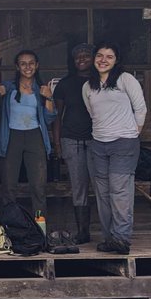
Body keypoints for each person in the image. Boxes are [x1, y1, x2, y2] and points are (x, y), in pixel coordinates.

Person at [82, 42, 147, 254]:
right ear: (94, 59)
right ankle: (108, 238)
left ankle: (121, 239)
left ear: (116, 60)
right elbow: (93, 114)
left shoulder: (125, 79)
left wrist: (133, 132)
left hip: (124, 144)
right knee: (103, 193)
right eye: (99, 56)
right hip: (98, 144)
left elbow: (140, 108)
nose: (103, 60)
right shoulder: (88, 86)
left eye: (109, 56)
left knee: (120, 191)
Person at [0, 49, 56, 224]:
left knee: (38, 186)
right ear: (17, 66)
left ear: (36, 65)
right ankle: (11, 226)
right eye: (23, 63)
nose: (27, 66)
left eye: (31, 63)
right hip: (11, 136)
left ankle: (39, 227)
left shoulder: (41, 89)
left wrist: (49, 98)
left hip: (35, 136)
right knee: (9, 186)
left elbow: (50, 118)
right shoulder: (8, 87)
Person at [52, 43, 95, 243]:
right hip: (71, 140)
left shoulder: (101, 81)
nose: (82, 59)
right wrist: (58, 144)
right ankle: (83, 232)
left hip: (98, 140)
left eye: (86, 55)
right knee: (79, 187)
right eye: (78, 56)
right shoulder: (65, 84)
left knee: (101, 185)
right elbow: (57, 116)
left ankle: (109, 230)